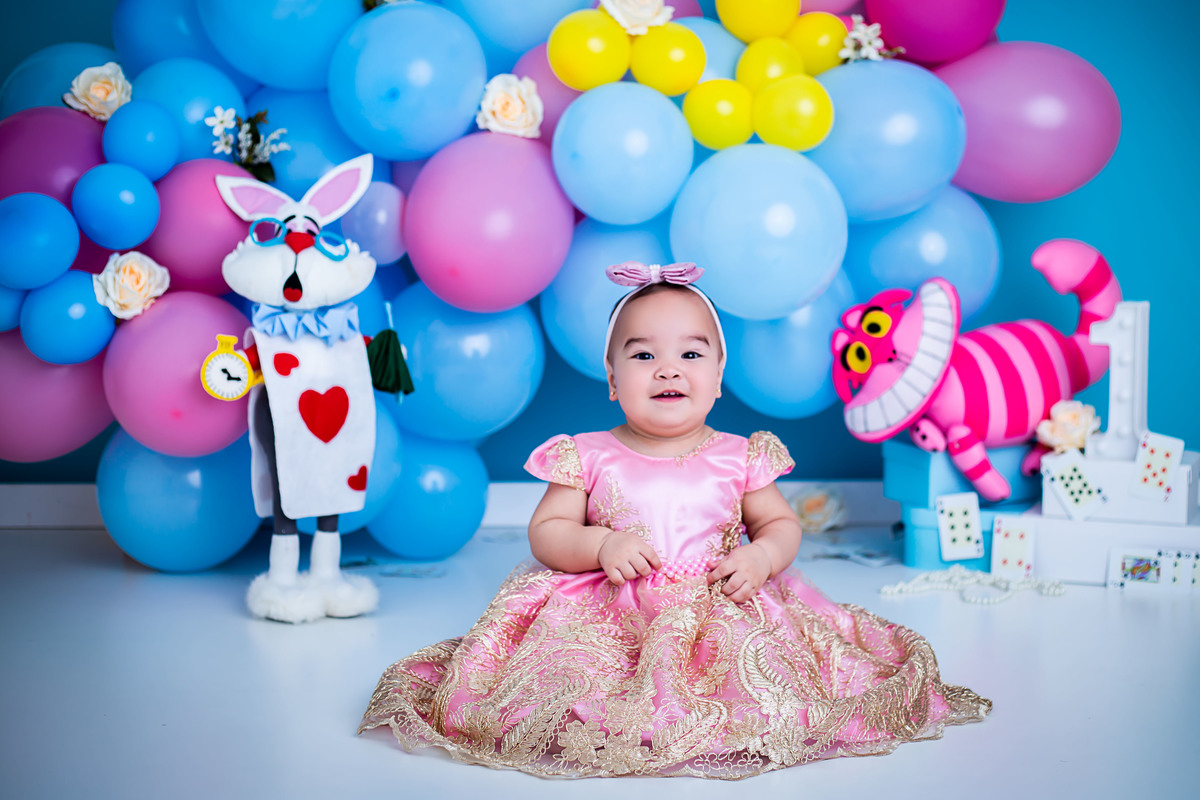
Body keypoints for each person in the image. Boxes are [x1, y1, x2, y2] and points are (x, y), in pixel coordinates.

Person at [359, 261, 990, 778]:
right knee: (578, 687)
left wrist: (761, 556)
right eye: (641, 357)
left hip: (717, 601)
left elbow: (780, 526)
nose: (668, 369)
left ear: (718, 377)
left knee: (762, 685)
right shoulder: (587, 454)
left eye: (691, 354)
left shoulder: (741, 456)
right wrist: (599, 542)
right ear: (611, 379)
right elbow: (547, 533)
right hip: (609, 610)